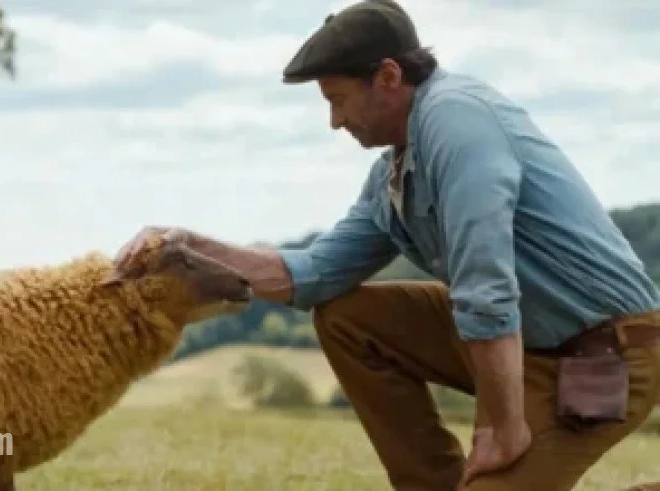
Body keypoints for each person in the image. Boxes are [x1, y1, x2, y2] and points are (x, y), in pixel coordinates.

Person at [110, 0, 660, 489]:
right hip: (522, 347)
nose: (334, 121)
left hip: (604, 356)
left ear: (389, 76)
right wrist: (185, 244)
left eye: (339, 100)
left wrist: (501, 425)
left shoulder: (457, 119)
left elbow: (486, 286)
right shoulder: (393, 174)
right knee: (348, 315)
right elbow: (313, 273)